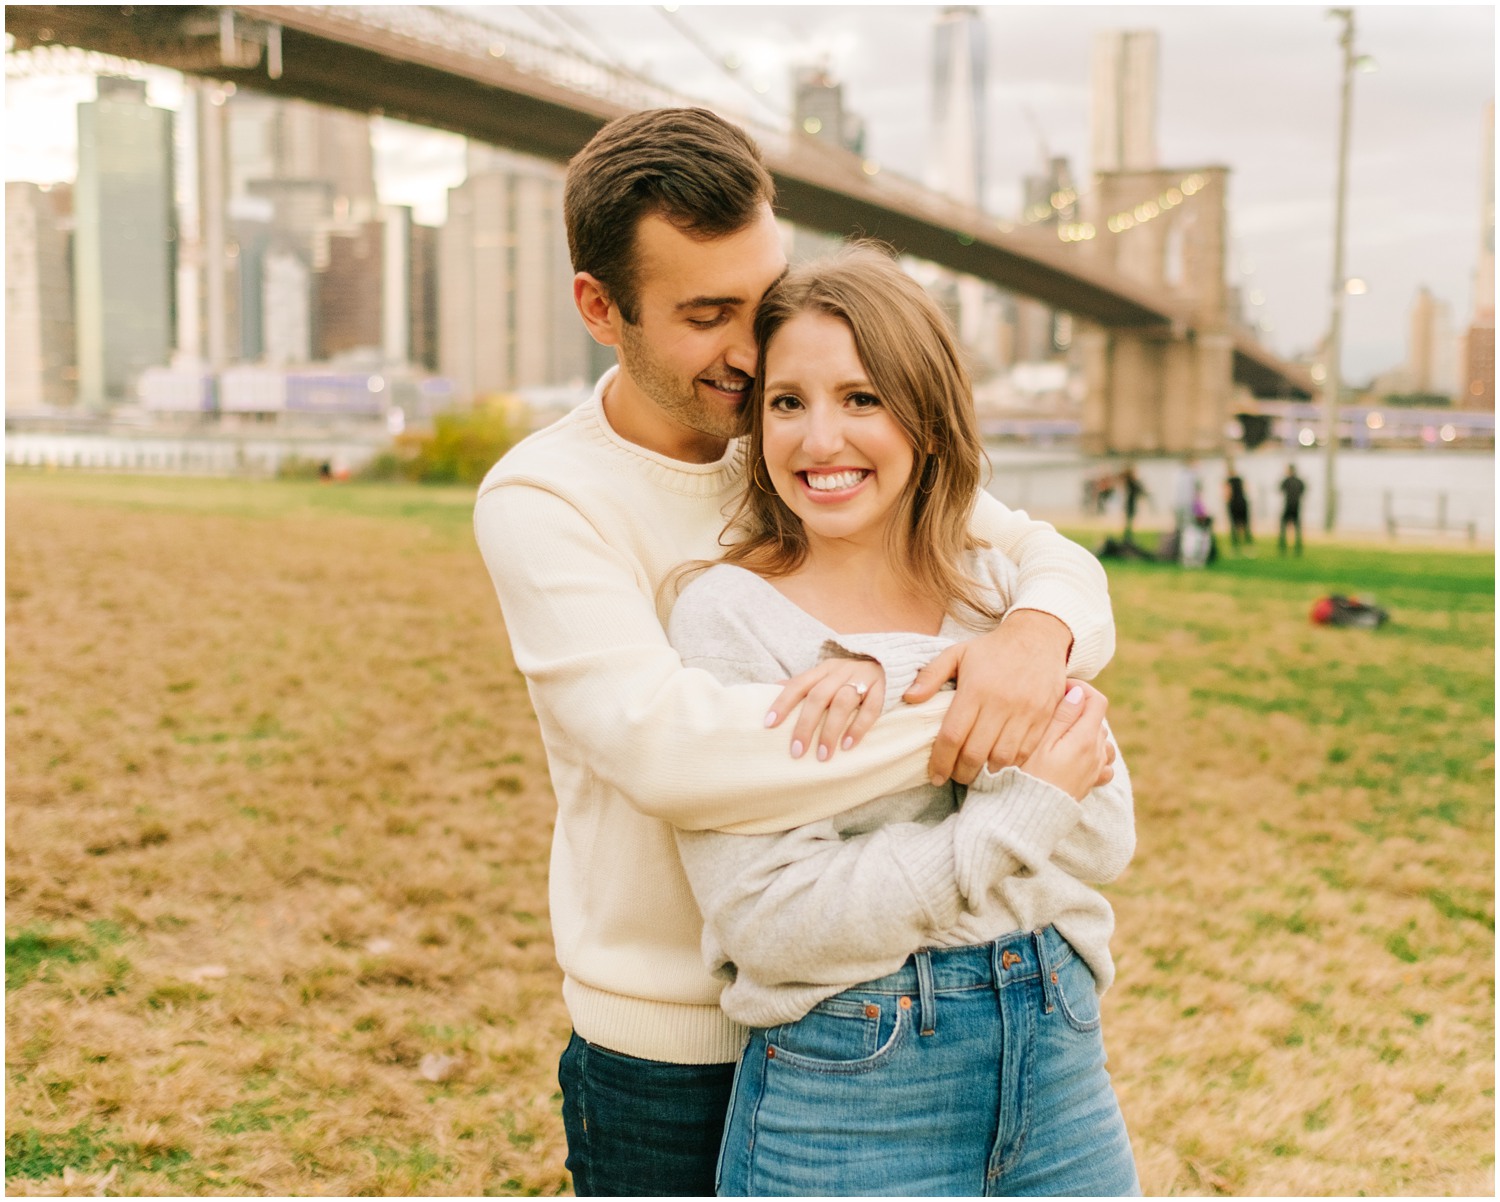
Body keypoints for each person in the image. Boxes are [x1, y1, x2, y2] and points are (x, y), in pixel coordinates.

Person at [472, 108, 1117, 1198]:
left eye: (762, 301)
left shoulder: (798, 442)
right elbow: (675, 752)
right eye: (706, 313)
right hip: (674, 1043)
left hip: (892, 1004)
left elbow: (1049, 565)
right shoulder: (546, 498)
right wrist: (975, 713)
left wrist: (1031, 637)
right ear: (600, 308)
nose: (749, 346)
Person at [668, 247, 1138, 1196]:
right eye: (788, 403)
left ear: (926, 417)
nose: (818, 440)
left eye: (863, 398)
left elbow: (1101, 831)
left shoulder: (1000, 594)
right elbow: (773, 921)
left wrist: (913, 673)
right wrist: (1009, 810)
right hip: (855, 1081)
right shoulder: (728, 616)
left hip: (1057, 1047)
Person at [1224, 458, 1252, 549]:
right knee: (1245, 524)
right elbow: (1246, 490)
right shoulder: (1240, 479)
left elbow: (1227, 493)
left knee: (1234, 525)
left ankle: (1235, 543)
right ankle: (1247, 542)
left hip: (1233, 504)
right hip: (1243, 503)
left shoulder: (1228, 481)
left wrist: (1227, 501)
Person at [1279, 463, 1306, 555]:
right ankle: (1298, 548)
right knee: (1297, 528)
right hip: (1297, 506)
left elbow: (1280, 490)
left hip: (1288, 506)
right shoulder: (1300, 481)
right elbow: (1303, 491)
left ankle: (1283, 546)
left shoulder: (1286, 481)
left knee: (1283, 526)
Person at [1121, 462, 1147, 544]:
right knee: (1129, 520)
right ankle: (1128, 538)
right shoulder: (1132, 482)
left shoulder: (1129, 481)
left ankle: (1128, 537)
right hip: (1130, 503)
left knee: (1129, 521)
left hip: (1130, 502)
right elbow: (1139, 490)